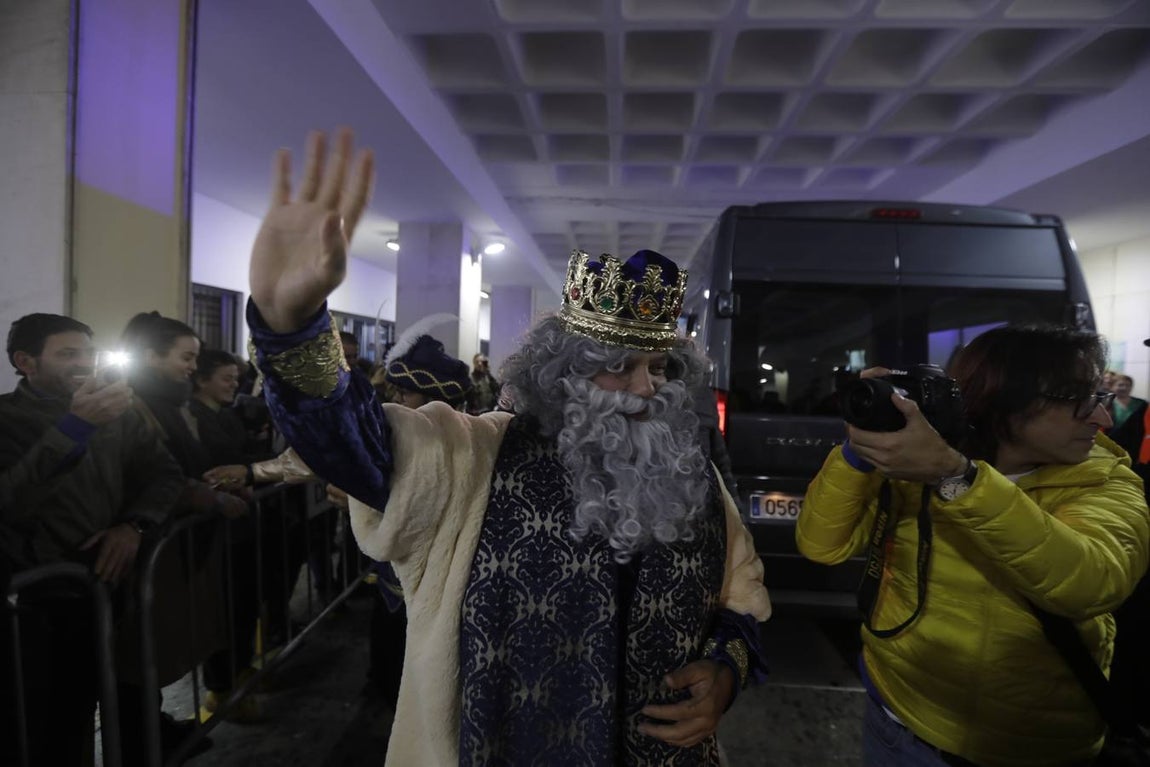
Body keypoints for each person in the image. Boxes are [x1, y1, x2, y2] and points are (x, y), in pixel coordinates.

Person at [245, 128, 770, 766]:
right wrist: (290, 330)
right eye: (621, 366)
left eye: (660, 368)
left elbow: (741, 599)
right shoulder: (473, 456)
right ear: (564, 371)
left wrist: (726, 671)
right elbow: (350, 445)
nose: (645, 388)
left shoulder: (691, 476)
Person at [797, 325, 1150, 766]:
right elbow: (821, 545)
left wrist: (957, 478)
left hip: (1023, 749)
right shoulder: (924, 463)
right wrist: (856, 453)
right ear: (1006, 402)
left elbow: (1092, 581)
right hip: (895, 717)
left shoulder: (1104, 480)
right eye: (1082, 403)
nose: (1102, 420)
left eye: (1099, 399)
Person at [0, 313, 184, 767]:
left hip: (108, 588)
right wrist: (74, 428)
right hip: (37, 600)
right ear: (26, 361)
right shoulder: (8, 419)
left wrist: (134, 525)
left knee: (118, 697)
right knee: (46, 727)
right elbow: (11, 500)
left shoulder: (117, 414)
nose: (84, 363)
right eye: (68, 354)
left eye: (88, 352)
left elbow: (164, 474)